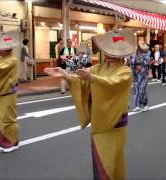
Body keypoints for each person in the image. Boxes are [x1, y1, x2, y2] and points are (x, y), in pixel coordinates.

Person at [44, 29, 134, 180]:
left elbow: (112, 83)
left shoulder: (125, 71)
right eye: (106, 50)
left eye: (110, 50)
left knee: (112, 158)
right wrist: (65, 75)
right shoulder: (99, 67)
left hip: (114, 121)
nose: (107, 53)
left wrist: (92, 78)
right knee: (100, 157)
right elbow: (82, 79)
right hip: (100, 119)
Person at [130, 40, 151, 112]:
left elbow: (146, 62)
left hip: (143, 73)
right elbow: (131, 62)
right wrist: (134, 65)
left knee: (142, 89)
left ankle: (145, 104)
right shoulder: (134, 53)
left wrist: (140, 59)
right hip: (136, 72)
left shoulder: (148, 53)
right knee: (136, 89)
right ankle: (136, 106)